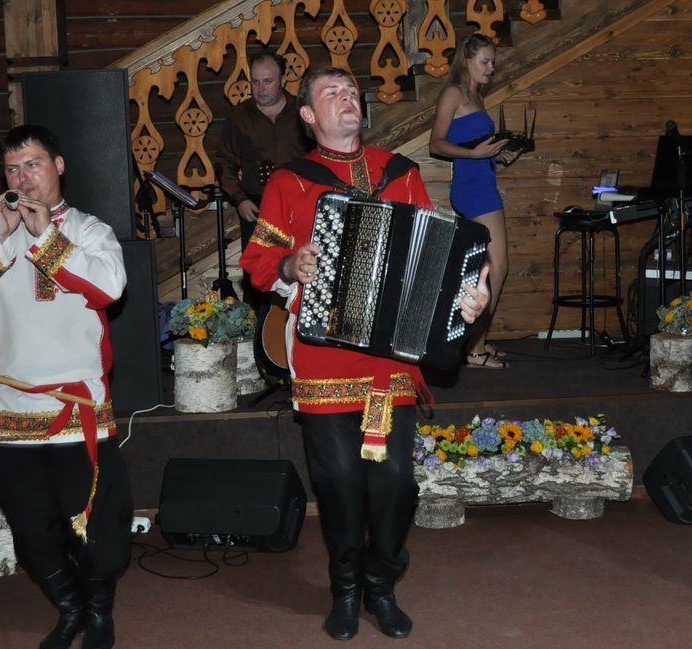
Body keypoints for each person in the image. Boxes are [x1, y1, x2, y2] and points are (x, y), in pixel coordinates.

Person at [240, 67, 490, 640]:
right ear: (308, 116)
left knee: (396, 482)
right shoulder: (290, 182)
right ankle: (347, 586)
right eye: (331, 93)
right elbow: (256, 263)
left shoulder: (399, 172)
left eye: (351, 91)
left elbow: (432, 253)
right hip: (324, 362)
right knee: (339, 485)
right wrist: (290, 264)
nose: (346, 98)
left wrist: (465, 297)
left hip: (389, 364)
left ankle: (381, 580)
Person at [0, 124, 132, 649]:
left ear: (58, 166)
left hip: (77, 412)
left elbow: (108, 288)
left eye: (33, 165)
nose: (23, 179)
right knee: (30, 532)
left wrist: (47, 237)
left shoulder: (90, 231)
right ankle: (70, 609)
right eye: (13, 169)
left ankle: (99, 612)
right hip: (13, 413)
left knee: (98, 530)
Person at [429, 33, 521, 369]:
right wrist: (474, 154)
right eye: (485, 61)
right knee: (498, 266)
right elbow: (436, 144)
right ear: (466, 60)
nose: (491, 68)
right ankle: (475, 350)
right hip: (472, 189)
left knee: (490, 266)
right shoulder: (453, 92)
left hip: (484, 181)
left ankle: (477, 342)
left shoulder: (476, 96)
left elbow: (475, 146)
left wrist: (498, 154)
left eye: (493, 62)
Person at [213, 50, 310, 306]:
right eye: (255, 81)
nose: (260, 88)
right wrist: (239, 199)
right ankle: (259, 329)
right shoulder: (239, 116)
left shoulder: (302, 111)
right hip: (256, 208)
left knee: (299, 268)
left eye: (268, 81)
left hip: (299, 206)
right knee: (258, 276)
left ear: (283, 80)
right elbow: (224, 161)